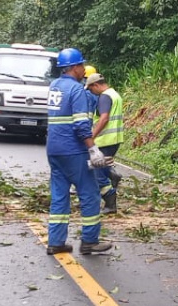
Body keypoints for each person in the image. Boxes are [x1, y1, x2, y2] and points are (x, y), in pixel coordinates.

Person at [45, 48, 112, 255]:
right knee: (90, 194)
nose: (84, 69)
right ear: (74, 67)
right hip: (73, 151)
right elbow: (81, 125)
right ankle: (90, 241)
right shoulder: (76, 91)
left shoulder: (54, 86)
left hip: (54, 150)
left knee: (59, 195)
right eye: (81, 65)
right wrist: (93, 149)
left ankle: (56, 242)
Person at [85, 72, 124, 214]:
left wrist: (92, 136)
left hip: (104, 140)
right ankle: (113, 175)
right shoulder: (115, 94)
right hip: (114, 139)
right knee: (102, 166)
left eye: (90, 89)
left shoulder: (104, 97)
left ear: (96, 85)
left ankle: (110, 201)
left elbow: (104, 118)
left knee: (97, 173)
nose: (91, 92)